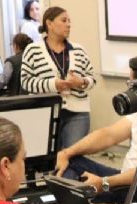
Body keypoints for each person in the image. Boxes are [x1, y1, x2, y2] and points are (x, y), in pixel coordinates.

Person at [54, 52, 137, 204]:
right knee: (70, 160)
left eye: (132, 85)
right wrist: (66, 153)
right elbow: (109, 135)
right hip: (124, 180)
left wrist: (105, 183)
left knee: (80, 193)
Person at [20, 6, 96, 150]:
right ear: (49, 23)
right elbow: (26, 81)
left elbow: (92, 78)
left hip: (77, 113)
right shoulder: (33, 50)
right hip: (45, 112)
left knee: (72, 155)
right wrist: (53, 84)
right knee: (48, 156)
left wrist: (82, 81)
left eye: (69, 21)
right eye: (64, 20)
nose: (69, 24)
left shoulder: (79, 50)